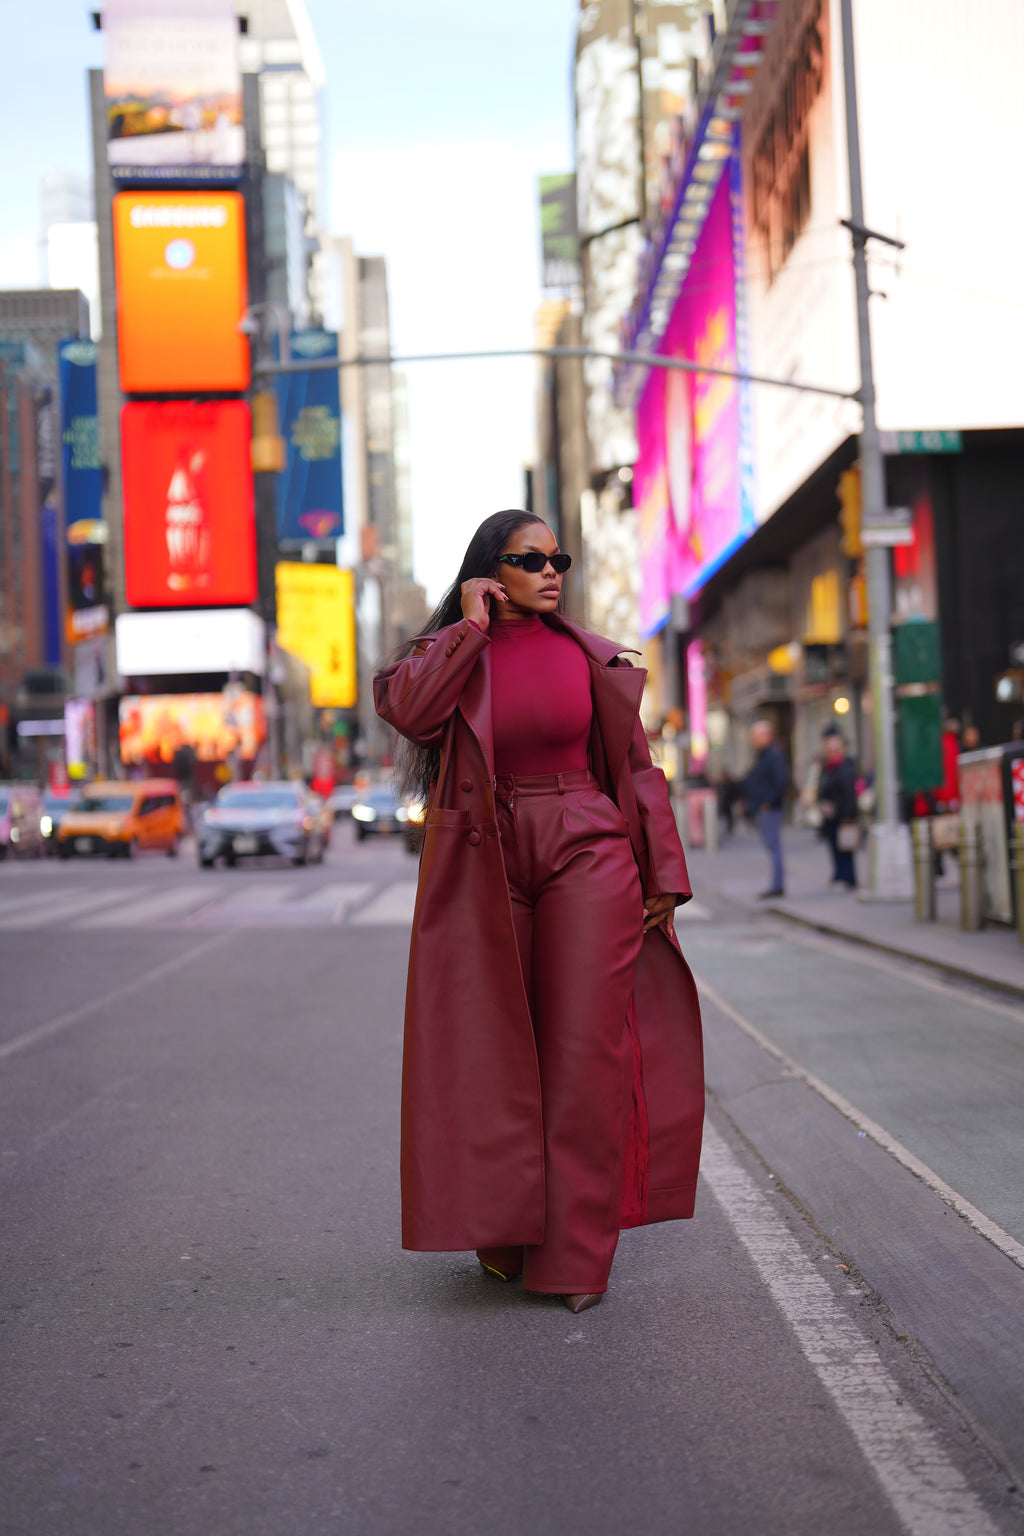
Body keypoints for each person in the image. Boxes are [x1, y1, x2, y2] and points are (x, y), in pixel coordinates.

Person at [373, 510, 704, 1316]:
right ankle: (507, 1232)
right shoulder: (456, 651)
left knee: (583, 1054)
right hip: (486, 855)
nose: (552, 571)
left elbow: (638, 766)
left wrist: (664, 868)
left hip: (586, 847)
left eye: (560, 559)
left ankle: (574, 1257)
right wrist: (468, 627)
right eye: (532, 559)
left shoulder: (588, 656)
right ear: (490, 572)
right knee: (494, 1054)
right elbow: (409, 712)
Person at [742, 720, 789, 897]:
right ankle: (777, 884)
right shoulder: (762, 755)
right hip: (763, 807)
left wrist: (767, 802)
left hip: (769, 809)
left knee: (774, 846)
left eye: (756, 736)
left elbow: (780, 782)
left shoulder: (773, 756)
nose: (753, 740)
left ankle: (777, 885)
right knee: (771, 846)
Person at [818, 729, 859, 889]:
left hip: (843, 814)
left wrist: (848, 814)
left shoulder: (845, 767)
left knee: (846, 847)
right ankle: (839, 874)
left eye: (834, 750)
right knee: (834, 847)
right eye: (829, 750)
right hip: (830, 815)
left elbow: (849, 792)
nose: (831, 753)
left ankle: (849, 877)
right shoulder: (827, 767)